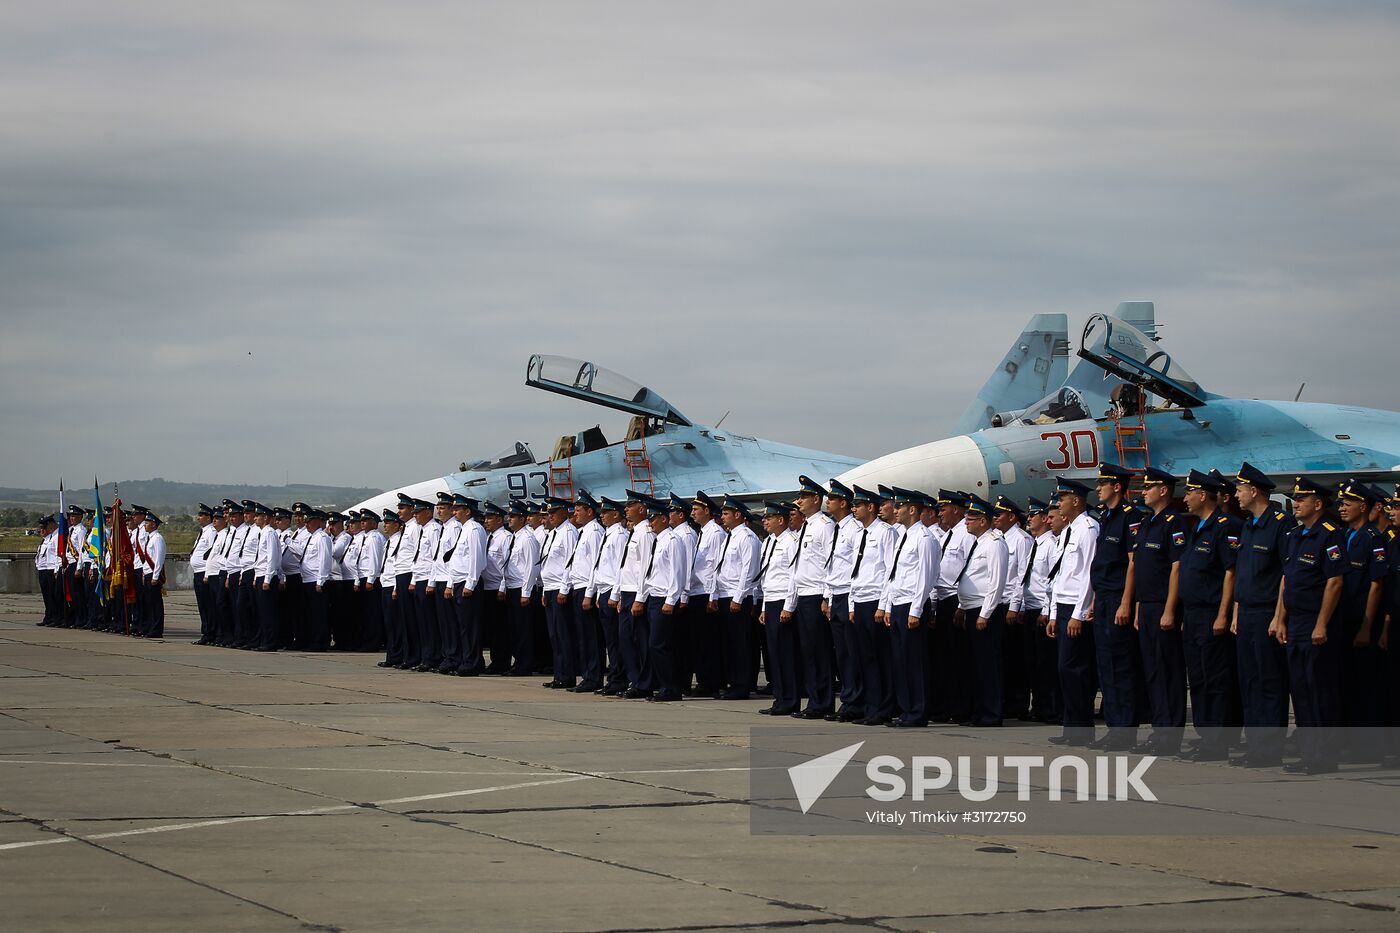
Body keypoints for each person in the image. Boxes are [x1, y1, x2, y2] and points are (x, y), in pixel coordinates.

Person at [1271, 477, 1347, 773]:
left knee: (1320, 690)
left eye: (1302, 499)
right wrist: (1281, 618)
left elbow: (1335, 582)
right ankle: (1308, 753)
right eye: (1296, 499)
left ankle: (1324, 756)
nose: (1296, 503)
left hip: (1317, 622)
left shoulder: (1329, 536)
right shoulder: (1294, 535)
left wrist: (1321, 624)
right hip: (1296, 621)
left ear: (1318, 504)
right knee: (1300, 689)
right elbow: (1287, 579)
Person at [1176, 470, 1242, 760]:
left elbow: (1230, 573)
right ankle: (1206, 736)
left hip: (1211, 613)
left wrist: (1223, 614)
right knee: (1199, 678)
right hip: (1192, 614)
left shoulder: (1225, 527)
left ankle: (1218, 740)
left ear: (1203, 495)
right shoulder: (1199, 527)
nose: (1186, 498)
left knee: (1217, 679)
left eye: (1190, 492)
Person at [1229, 463, 1292, 767]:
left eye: (1240, 489)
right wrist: (1237, 610)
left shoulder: (1280, 524)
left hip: (1268, 612)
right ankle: (1255, 746)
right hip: (1248, 613)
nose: (1236, 495)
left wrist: (1279, 616)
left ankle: (1269, 749)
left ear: (1254, 491)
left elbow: (1285, 574)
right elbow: (1243, 573)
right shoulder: (1249, 525)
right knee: (1249, 681)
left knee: (1269, 682)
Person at [1334, 478, 1387, 763]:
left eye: (1347, 503)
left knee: (1366, 687)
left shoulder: (1372, 538)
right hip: (1345, 621)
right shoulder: (1344, 536)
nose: (1341, 508)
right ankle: (1351, 741)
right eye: (1340, 503)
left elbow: (1376, 585)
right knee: (1347, 684)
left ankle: (1369, 748)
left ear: (1362, 506)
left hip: (1363, 623)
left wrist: (1367, 627)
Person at [878, 488, 941, 728]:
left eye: (899, 507)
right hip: (898, 604)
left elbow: (925, 577)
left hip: (912, 605)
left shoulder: (924, 538)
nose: (895, 511)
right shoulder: (902, 536)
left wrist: (916, 610)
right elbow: (892, 575)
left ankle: (918, 711)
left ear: (912, 510)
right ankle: (906, 709)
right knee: (900, 660)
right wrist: (887, 606)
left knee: (914, 662)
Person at [1090, 463, 1141, 751]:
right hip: (1105, 598)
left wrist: (1125, 603)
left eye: (1103, 484)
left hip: (1119, 599)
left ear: (1117, 487)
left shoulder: (1129, 517)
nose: (1098, 488)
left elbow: (1132, 562)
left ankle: (1125, 730)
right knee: (1106, 665)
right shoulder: (1106, 517)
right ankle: (1113, 727)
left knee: (1121, 666)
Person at [1047, 477, 1100, 747]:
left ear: (1076, 501)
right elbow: (1061, 576)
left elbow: (1089, 574)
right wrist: (1055, 612)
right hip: (1065, 605)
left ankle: (1082, 728)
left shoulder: (1088, 528)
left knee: (1075, 668)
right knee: (1065, 670)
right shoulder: (1068, 531)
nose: (1058, 503)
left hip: (1078, 606)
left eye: (1062, 499)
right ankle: (1071, 726)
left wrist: (1079, 614)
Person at [956, 495, 1010, 727]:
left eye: (972, 518)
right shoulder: (979, 542)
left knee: (988, 665)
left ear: (983, 521)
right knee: (975, 665)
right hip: (971, 609)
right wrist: (961, 607)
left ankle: (991, 713)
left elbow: (996, 582)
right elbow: (971, 577)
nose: (966, 521)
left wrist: (985, 614)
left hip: (985, 611)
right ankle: (979, 711)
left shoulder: (995, 543)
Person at [786, 475, 837, 718]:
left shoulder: (825, 526)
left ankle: (823, 702)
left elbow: (830, 563)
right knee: (808, 651)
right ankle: (815, 701)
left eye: (803, 497)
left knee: (819, 651)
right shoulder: (806, 526)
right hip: (804, 595)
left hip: (817, 594)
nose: (799, 501)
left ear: (816, 499)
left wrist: (827, 597)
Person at [929, 490, 974, 723]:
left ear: (957, 510)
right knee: (944, 658)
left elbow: (968, 572)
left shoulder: (966, 535)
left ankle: (960, 707)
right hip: (944, 600)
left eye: (944, 509)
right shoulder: (948, 535)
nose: (940, 513)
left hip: (957, 600)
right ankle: (947, 705)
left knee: (958, 658)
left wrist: (963, 605)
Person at [710, 496, 761, 700]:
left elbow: (748, 570)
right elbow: (719, 568)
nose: (722, 516)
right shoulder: (730, 536)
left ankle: (741, 685)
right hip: (724, 594)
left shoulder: (747, 537)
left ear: (738, 515)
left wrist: (738, 598)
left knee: (740, 644)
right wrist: (714, 594)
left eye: (726, 513)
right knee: (729, 643)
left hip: (736, 596)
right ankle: (733, 683)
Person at [823, 479, 864, 721]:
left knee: (852, 652)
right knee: (841, 654)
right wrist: (827, 597)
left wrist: (849, 600)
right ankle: (849, 699)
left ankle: (855, 701)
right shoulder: (836, 529)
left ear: (843, 503)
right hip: (836, 595)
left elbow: (855, 568)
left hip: (849, 594)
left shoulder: (855, 530)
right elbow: (832, 566)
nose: (828, 502)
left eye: (831, 499)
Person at [639, 497, 687, 702]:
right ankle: (665, 685)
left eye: (654, 517)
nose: (650, 521)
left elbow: (677, 572)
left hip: (664, 599)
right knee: (656, 645)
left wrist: (671, 599)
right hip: (654, 597)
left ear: (664, 519)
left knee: (659, 644)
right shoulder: (659, 540)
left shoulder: (673, 540)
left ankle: (671, 687)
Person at [757, 501, 801, 716]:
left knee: (785, 653)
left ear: (781, 520)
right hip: (771, 599)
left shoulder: (791, 541)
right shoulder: (768, 542)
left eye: (769, 517)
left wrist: (789, 606)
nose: (765, 520)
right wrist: (765, 606)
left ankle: (790, 700)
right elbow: (767, 577)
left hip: (784, 600)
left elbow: (794, 576)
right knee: (774, 653)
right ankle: (780, 698)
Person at [994, 496, 1036, 721]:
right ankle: (1006, 700)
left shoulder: (1021, 539)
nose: (995, 519)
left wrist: (1015, 606)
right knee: (1003, 656)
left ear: (1012, 517)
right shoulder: (999, 538)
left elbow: (1022, 576)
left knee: (1015, 658)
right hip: (998, 603)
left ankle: (1018, 703)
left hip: (1011, 603)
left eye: (999, 515)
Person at [586, 497, 629, 694]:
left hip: (612, 591)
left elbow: (621, 567)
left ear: (616, 514)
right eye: (601, 512)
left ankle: (618, 679)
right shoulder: (607, 534)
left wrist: (615, 594)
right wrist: (595, 593)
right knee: (610, 640)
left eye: (605, 512)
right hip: (603, 591)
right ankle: (613, 679)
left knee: (615, 640)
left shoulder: (619, 535)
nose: (601, 515)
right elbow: (599, 566)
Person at [615, 490, 656, 697]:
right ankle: (635, 680)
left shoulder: (646, 533)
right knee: (625, 639)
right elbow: (627, 568)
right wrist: (622, 595)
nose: (626, 509)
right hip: (628, 592)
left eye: (629, 506)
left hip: (638, 593)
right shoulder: (635, 532)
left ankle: (644, 683)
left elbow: (645, 568)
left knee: (640, 640)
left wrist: (640, 598)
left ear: (641, 509)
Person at [687, 491, 728, 698]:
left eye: (696, 509)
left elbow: (715, 566)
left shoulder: (715, 533)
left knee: (707, 641)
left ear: (706, 511)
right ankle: (704, 679)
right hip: (696, 590)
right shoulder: (702, 532)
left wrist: (713, 595)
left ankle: (710, 682)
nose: (692, 513)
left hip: (706, 591)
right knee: (699, 640)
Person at [539, 496, 580, 689]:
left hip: (560, 589)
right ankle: (559, 673)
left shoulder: (568, 532)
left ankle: (567, 675)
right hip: (549, 588)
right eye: (549, 513)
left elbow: (569, 563)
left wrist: (564, 588)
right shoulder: (553, 533)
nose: (550, 516)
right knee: (554, 635)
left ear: (564, 512)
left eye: (554, 513)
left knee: (564, 634)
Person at [567, 492, 605, 692]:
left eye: (579, 510)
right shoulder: (584, 532)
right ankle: (587, 676)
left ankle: (594, 677)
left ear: (590, 511)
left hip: (586, 589)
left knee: (591, 636)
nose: (576, 514)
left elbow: (595, 566)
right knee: (582, 636)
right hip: (578, 587)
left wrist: (590, 594)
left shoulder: (595, 532)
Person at [448, 495, 489, 676]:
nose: (454, 512)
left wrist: (470, 584)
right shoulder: (464, 529)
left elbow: (477, 559)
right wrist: (451, 583)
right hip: (459, 582)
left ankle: (471, 662)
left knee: (469, 627)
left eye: (458, 509)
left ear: (467, 511)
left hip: (467, 583)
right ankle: (470, 660)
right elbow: (456, 558)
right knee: (462, 626)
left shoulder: (474, 529)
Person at [499, 501, 541, 675]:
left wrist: (526, 592)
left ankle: (525, 665)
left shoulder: (528, 538)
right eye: (510, 516)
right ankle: (518, 662)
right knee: (514, 628)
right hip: (512, 587)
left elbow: (532, 566)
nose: (510, 519)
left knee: (523, 630)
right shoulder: (515, 536)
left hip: (522, 588)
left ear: (522, 519)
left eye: (514, 516)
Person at [430, 493, 462, 672]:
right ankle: (448, 656)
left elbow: (454, 559)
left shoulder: (455, 528)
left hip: (449, 580)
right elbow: (437, 559)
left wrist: (449, 584)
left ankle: (454, 657)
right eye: (438, 508)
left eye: (443, 508)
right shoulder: (443, 528)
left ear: (452, 510)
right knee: (443, 623)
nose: (439, 511)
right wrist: (433, 581)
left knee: (451, 623)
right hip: (440, 580)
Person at [410, 498, 442, 671]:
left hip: (429, 580)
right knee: (422, 622)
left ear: (428, 513)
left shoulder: (434, 529)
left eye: (418, 512)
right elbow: (418, 557)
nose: (415, 515)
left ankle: (433, 657)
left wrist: (431, 582)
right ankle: (426, 656)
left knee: (430, 623)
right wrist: (414, 580)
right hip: (420, 578)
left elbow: (435, 558)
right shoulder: (421, 530)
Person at [480, 503, 512, 672]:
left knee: (500, 629)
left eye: (490, 518)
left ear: (500, 519)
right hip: (487, 587)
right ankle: (495, 660)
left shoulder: (505, 537)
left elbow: (507, 564)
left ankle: (502, 661)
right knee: (492, 628)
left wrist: (502, 587)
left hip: (498, 587)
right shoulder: (488, 537)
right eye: (486, 518)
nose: (486, 521)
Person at [300, 509, 333, 651]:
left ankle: (320, 642)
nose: (306, 524)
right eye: (306, 521)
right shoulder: (311, 537)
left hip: (317, 580)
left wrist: (321, 580)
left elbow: (324, 560)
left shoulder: (322, 537)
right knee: (310, 613)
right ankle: (312, 640)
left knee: (319, 614)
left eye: (309, 521)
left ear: (319, 521)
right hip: (307, 579)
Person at [357, 509, 388, 653]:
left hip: (371, 578)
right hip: (364, 577)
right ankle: (368, 639)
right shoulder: (366, 537)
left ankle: (374, 642)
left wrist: (370, 579)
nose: (362, 523)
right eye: (361, 520)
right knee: (366, 612)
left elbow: (375, 560)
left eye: (366, 520)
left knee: (372, 613)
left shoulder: (374, 537)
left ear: (374, 523)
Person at [35, 515, 60, 626]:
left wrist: (56, 569)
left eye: (45, 527)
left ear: (51, 525)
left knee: (52, 595)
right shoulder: (46, 539)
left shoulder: (56, 537)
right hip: (43, 569)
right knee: (46, 595)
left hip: (51, 569)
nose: (42, 530)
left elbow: (57, 555)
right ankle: (48, 616)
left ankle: (55, 617)